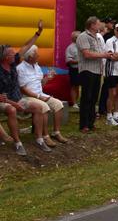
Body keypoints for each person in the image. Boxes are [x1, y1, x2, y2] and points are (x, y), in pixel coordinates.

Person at [0, 21, 53, 155]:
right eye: (12, 54)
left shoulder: (12, 64)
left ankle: (39, 139)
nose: (15, 55)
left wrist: (38, 33)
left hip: (17, 99)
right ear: (6, 57)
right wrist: (14, 104)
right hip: (4, 101)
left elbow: (25, 47)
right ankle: (17, 143)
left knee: (38, 107)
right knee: (11, 110)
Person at [17, 46, 69, 144]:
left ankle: (56, 132)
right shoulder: (20, 68)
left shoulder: (37, 66)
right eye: (37, 54)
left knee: (58, 104)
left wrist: (47, 79)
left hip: (40, 94)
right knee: (44, 107)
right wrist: (39, 97)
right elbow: (22, 89)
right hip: (27, 97)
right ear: (30, 57)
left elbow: (40, 84)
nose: (39, 56)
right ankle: (45, 136)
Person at [76, 16, 114, 133]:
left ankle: (91, 123)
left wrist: (106, 53)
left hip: (97, 71)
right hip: (87, 70)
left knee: (93, 98)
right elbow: (87, 54)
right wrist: (104, 55)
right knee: (86, 98)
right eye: (98, 23)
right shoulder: (83, 36)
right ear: (92, 25)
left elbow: (99, 52)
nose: (101, 25)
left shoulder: (97, 37)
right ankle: (84, 125)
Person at [65, 30, 81, 109]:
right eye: (77, 37)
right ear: (73, 38)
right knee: (74, 86)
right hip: (74, 69)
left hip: (82, 69)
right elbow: (68, 60)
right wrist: (79, 61)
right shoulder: (70, 48)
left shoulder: (82, 46)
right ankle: (74, 103)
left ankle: (77, 102)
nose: (79, 38)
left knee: (78, 87)